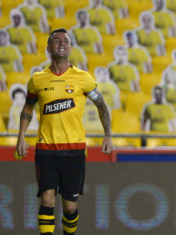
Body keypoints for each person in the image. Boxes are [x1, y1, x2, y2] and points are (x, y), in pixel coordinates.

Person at [15, 28, 113, 235]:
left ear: (71, 47)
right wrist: (21, 136)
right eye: (57, 40)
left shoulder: (83, 78)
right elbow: (27, 108)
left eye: (65, 41)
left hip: (74, 150)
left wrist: (108, 135)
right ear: (49, 48)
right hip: (46, 150)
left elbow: (102, 106)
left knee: (70, 206)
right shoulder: (37, 80)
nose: (61, 43)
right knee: (47, 197)